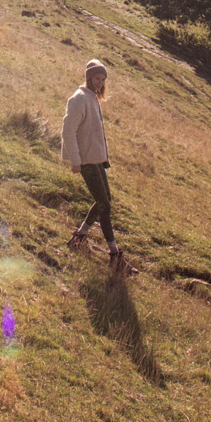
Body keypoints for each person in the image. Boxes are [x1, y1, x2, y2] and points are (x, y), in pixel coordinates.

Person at [62, 58, 126, 271]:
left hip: (97, 159)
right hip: (86, 161)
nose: (100, 83)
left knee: (105, 202)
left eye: (103, 79)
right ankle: (114, 255)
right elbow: (68, 130)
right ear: (89, 78)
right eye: (97, 78)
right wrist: (75, 161)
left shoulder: (93, 99)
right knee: (104, 204)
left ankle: (79, 238)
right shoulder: (79, 99)